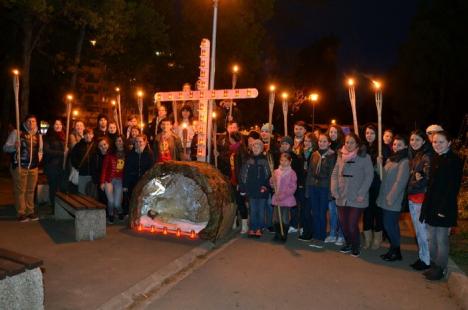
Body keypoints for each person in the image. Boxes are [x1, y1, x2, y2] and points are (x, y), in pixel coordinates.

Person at [420, 131, 463, 281]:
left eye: (441, 142)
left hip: (445, 207)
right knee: (431, 238)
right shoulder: (435, 158)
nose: (437, 145)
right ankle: (433, 265)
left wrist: (443, 209)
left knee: (441, 239)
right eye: (435, 142)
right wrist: (425, 209)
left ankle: (440, 268)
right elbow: (431, 186)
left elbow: (453, 187)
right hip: (431, 205)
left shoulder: (455, 160)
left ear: (449, 142)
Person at [331, 133, 373, 257]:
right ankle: (348, 243)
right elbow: (334, 173)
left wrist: (362, 193)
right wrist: (334, 190)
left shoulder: (364, 157)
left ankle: (356, 245)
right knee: (344, 224)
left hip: (357, 196)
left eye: (352, 142)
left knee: (352, 223)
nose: (349, 145)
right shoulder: (340, 155)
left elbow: (369, 176)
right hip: (342, 195)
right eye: (347, 142)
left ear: (357, 144)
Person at [3, 115, 43, 222]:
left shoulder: (38, 136)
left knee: (30, 190)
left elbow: (40, 149)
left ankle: (30, 211)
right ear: (25, 123)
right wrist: (13, 147)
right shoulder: (17, 133)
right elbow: (5, 147)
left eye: (33, 121)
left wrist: (39, 157)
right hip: (20, 166)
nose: (31, 123)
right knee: (20, 190)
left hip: (33, 167)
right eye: (29, 121)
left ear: (36, 123)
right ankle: (21, 212)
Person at [377, 135, 410, 261]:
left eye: (399, 145)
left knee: (390, 225)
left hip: (394, 200)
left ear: (405, 146)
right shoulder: (391, 159)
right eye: (395, 144)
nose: (396, 147)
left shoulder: (404, 161)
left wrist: (390, 198)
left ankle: (396, 251)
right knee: (389, 225)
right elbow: (382, 177)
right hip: (385, 197)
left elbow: (400, 182)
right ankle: (394, 250)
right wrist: (379, 164)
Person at [303, 134, 337, 247]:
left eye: (324, 141)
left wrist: (330, 191)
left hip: (324, 187)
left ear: (329, 143)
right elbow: (309, 173)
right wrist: (308, 189)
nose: (321, 143)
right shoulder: (314, 154)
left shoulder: (332, 156)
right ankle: (316, 235)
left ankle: (321, 237)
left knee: (322, 213)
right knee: (315, 212)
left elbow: (332, 174)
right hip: (313, 186)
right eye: (320, 141)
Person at [407, 129, 433, 270]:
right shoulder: (417, 155)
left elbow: (427, 178)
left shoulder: (426, 156)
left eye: (417, 140)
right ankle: (423, 257)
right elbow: (417, 175)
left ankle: (426, 260)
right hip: (414, 196)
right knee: (418, 231)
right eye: (412, 140)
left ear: (424, 141)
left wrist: (412, 183)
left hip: (419, 198)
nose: (414, 142)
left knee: (422, 232)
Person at [239, 139, 271, 237]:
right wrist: (243, 188)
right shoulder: (248, 160)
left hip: (262, 189)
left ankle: (259, 228)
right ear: (251, 148)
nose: (256, 148)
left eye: (258, 146)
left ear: (262, 149)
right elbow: (243, 175)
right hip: (251, 190)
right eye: (254, 146)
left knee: (261, 210)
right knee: (252, 210)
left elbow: (268, 175)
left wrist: (265, 186)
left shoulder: (265, 161)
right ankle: (252, 227)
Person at [362, 124, 385, 250]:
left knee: (377, 211)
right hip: (365, 184)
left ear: (377, 134)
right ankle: (367, 238)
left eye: (372, 133)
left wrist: (380, 163)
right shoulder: (363, 148)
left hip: (377, 184)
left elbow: (385, 169)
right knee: (366, 211)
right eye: (367, 133)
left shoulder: (382, 149)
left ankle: (377, 238)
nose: (369, 135)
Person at [278, 136, 304, 233]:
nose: (284, 146)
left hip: (292, 186)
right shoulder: (280, 156)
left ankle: (294, 224)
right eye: (283, 144)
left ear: (290, 145)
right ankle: (284, 224)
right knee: (284, 207)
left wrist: (298, 184)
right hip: (282, 186)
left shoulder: (294, 157)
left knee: (294, 206)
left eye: (286, 144)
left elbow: (299, 171)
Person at [122, 134, 154, 215]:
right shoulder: (130, 154)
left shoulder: (149, 154)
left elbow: (151, 169)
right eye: (136, 142)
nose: (138, 143)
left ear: (145, 142)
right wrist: (125, 185)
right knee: (132, 199)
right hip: (132, 181)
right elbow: (126, 170)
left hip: (144, 181)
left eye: (140, 141)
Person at [325, 124, 345, 245]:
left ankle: (341, 235)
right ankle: (332, 233)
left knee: (340, 212)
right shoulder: (326, 145)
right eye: (330, 132)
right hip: (329, 183)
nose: (332, 134)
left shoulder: (343, 148)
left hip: (340, 184)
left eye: (334, 132)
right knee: (332, 211)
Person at [271, 152, 297, 242]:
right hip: (277, 198)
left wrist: (282, 196)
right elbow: (272, 184)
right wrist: (272, 181)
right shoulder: (276, 172)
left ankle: (283, 234)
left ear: (290, 162)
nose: (283, 162)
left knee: (284, 218)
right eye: (281, 160)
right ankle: (277, 234)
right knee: (275, 218)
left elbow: (292, 188)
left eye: (285, 161)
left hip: (286, 199)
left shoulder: (292, 173)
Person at [100, 135, 126, 223]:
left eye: (120, 141)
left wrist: (126, 184)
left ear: (123, 142)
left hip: (120, 180)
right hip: (109, 179)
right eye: (117, 141)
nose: (118, 143)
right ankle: (110, 214)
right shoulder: (110, 154)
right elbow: (104, 168)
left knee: (117, 203)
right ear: (114, 143)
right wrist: (102, 182)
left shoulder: (127, 154)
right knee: (110, 201)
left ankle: (120, 211)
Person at [43, 119, 66, 207]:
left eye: (60, 124)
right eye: (56, 124)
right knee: (53, 187)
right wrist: (62, 153)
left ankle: (61, 206)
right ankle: (53, 206)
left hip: (62, 166)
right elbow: (47, 150)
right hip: (52, 165)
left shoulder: (65, 136)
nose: (58, 126)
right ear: (53, 126)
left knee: (62, 186)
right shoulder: (49, 136)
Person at [70, 128, 95, 195]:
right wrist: (78, 166)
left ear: (92, 135)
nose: (88, 136)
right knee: (82, 193)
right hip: (82, 174)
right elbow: (73, 158)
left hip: (93, 175)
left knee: (92, 194)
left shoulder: (95, 146)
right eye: (86, 134)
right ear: (83, 136)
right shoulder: (78, 146)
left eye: (90, 134)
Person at [91, 137, 111, 204]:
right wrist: (97, 182)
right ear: (98, 147)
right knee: (102, 200)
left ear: (108, 145)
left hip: (111, 181)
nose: (103, 147)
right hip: (100, 182)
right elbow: (93, 169)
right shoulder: (96, 156)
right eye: (100, 146)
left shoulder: (112, 155)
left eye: (104, 144)